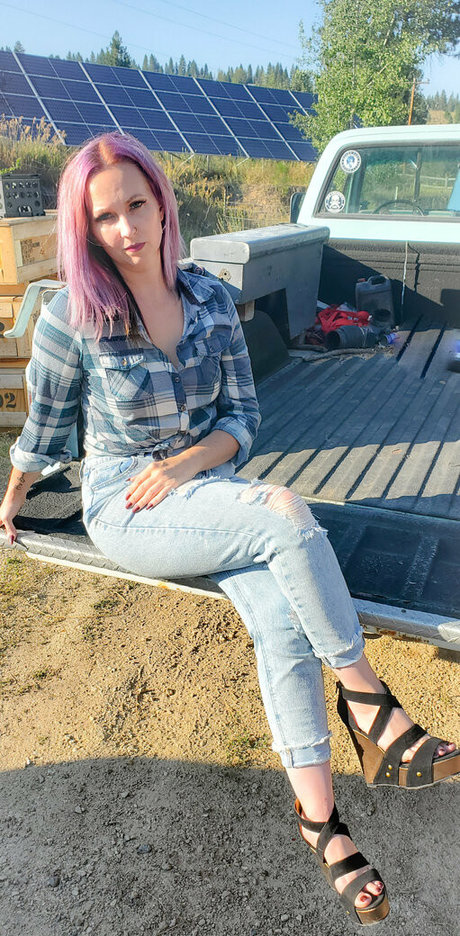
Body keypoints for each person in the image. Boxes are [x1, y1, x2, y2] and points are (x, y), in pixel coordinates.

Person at [0, 132, 458, 927]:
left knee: (280, 615)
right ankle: (370, 704)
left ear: (162, 203)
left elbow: (244, 417)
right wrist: (11, 498)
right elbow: (42, 433)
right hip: (124, 503)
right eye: (104, 216)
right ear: (86, 228)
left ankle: (321, 821)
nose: (125, 227)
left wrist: (189, 464)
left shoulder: (210, 298)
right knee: (285, 513)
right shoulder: (73, 316)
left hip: (205, 485)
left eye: (136, 204)